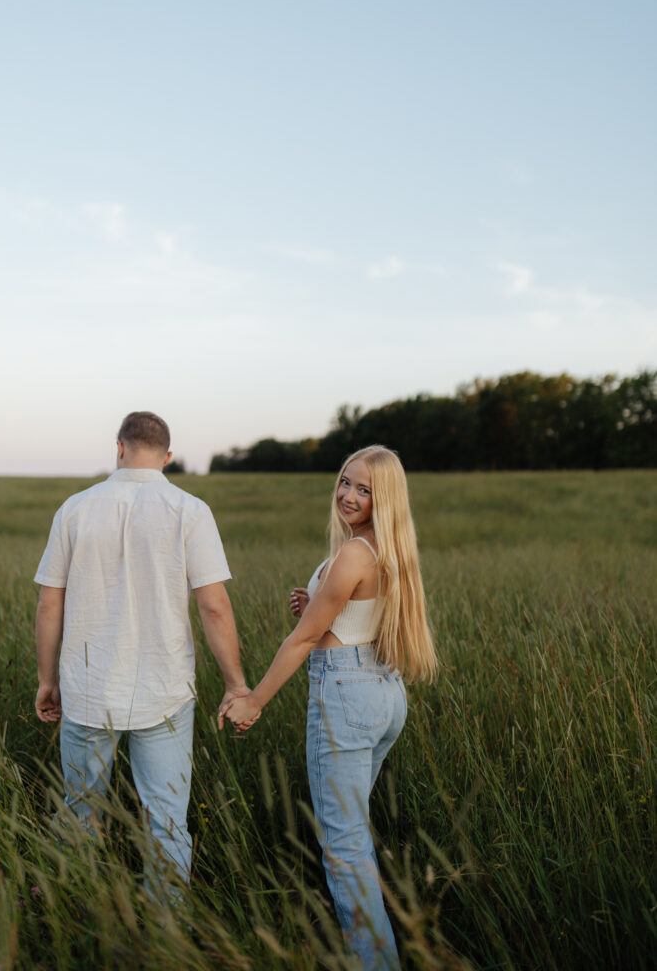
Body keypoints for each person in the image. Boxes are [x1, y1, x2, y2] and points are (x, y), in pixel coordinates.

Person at [221, 445, 438, 968]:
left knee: (345, 851)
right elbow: (352, 616)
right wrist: (314, 601)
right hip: (384, 694)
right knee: (354, 836)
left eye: (364, 489)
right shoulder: (388, 548)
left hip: (346, 697)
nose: (348, 494)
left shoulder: (355, 554)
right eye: (346, 481)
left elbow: (303, 641)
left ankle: (375, 963)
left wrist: (253, 701)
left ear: (381, 497)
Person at [34, 411, 249, 890]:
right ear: (167, 457)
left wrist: (49, 681)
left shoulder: (75, 508)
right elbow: (214, 607)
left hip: (87, 690)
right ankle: (166, 935)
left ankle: (72, 912)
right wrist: (236, 684)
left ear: (119, 447)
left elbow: (50, 602)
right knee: (168, 820)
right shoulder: (189, 510)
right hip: (165, 688)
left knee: (79, 814)